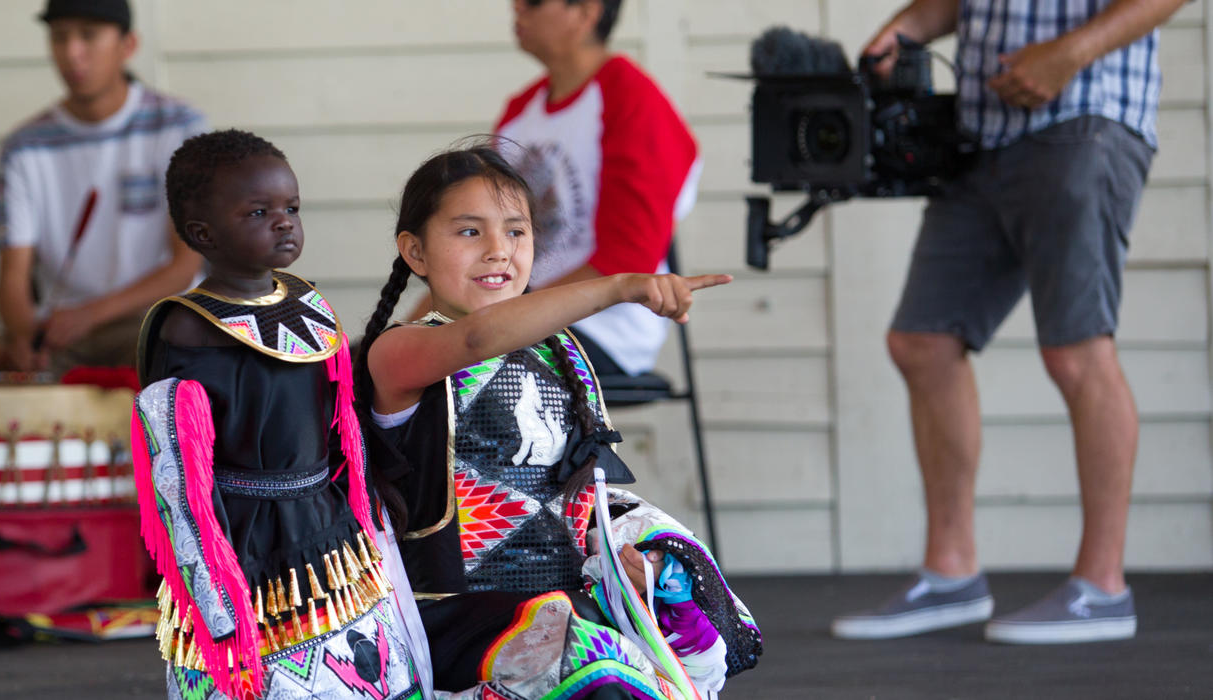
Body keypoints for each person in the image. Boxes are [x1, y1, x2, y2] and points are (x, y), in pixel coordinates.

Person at [830, 0, 1186, 645]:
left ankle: (1104, 587)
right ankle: (951, 573)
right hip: (981, 136)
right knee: (922, 342)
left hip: (1084, 119)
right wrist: (906, 30)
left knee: (1077, 352)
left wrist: (1069, 52)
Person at [358, 145, 761, 697]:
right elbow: (476, 338)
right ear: (415, 252)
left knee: (647, 638)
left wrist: (628, 562)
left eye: (517, 232)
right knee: (592, 663)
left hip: (562, 602)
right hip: (457, 622)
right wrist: (619, 287)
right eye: (470, 232)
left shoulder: (559, 354)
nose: (499, 251)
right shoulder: (399, 353)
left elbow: (572, 498)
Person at [132, 130, 429, 699]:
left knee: (363, 671)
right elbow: (180, 474)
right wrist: (217, 600)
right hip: (244, 537)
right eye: (259, 212)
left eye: (291, 207)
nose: (284, 221)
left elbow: (342, 427)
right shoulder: (187, 326)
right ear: (203, 234)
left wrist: (364, 514)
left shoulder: (306, 305)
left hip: (328, 529)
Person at [0, 0, 204, 379]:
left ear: (128, 45)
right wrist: (22, 336)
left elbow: (184, 268)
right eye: (59, 37)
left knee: (168, 354)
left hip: (155, 321)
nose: (71, 52)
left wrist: (90, 314)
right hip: (59, 332)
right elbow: (13, 277)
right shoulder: (24, 146)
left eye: (88, 35)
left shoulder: (179, 126)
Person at [492, 0, 700, 378]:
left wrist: (501, 312)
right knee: (381, 361)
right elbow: (474, 241)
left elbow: (628, 255)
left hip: (604, 330)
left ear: (587, 11)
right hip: (513, 316)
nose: (516, 7)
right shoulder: (520, 110)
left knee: (459, 373)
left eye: (534, 1)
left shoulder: (632, 99)